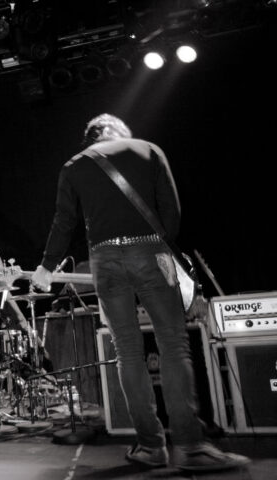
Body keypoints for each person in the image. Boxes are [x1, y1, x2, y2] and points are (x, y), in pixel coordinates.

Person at [30, 114, 249, 471]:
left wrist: (46, 266)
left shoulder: (74, 165)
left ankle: (151, 447)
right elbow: (171, 213)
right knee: (174, 346)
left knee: (127, 353)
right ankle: (191, 448)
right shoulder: (148, 150)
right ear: (114, 130)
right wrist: (159, 248)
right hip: (150, 251)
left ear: (92, 137)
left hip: (104, 259)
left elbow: (64, 221)